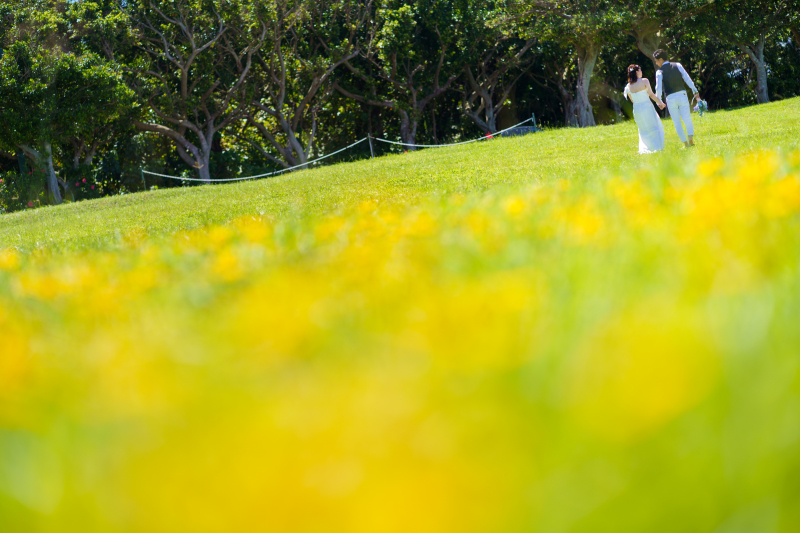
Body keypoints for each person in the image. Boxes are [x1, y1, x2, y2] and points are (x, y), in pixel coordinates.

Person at [653, 50, 701, 148]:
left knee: (677, 122)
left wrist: (659, 101)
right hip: (682, 94)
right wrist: (695, 92)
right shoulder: (677, 65)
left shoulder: (659, 72)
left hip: (670, 98)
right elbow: (687, 79)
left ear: (661, 59)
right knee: (687, 118)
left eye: (657, 61)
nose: (656, 63)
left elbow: (658, 88)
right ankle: (691, 139)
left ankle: (685, 144)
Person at [623, 64, 666, 154]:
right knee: (653, 127)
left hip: (637, 109)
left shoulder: (628, 86)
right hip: (647, 107)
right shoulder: (644, 81)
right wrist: (660, 103)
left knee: (643, 129)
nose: (641, 72)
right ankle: (656, 148)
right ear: (637, 72)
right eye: (640, 70)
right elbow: (651, 94)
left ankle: (645, 149)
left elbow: (632, 101)